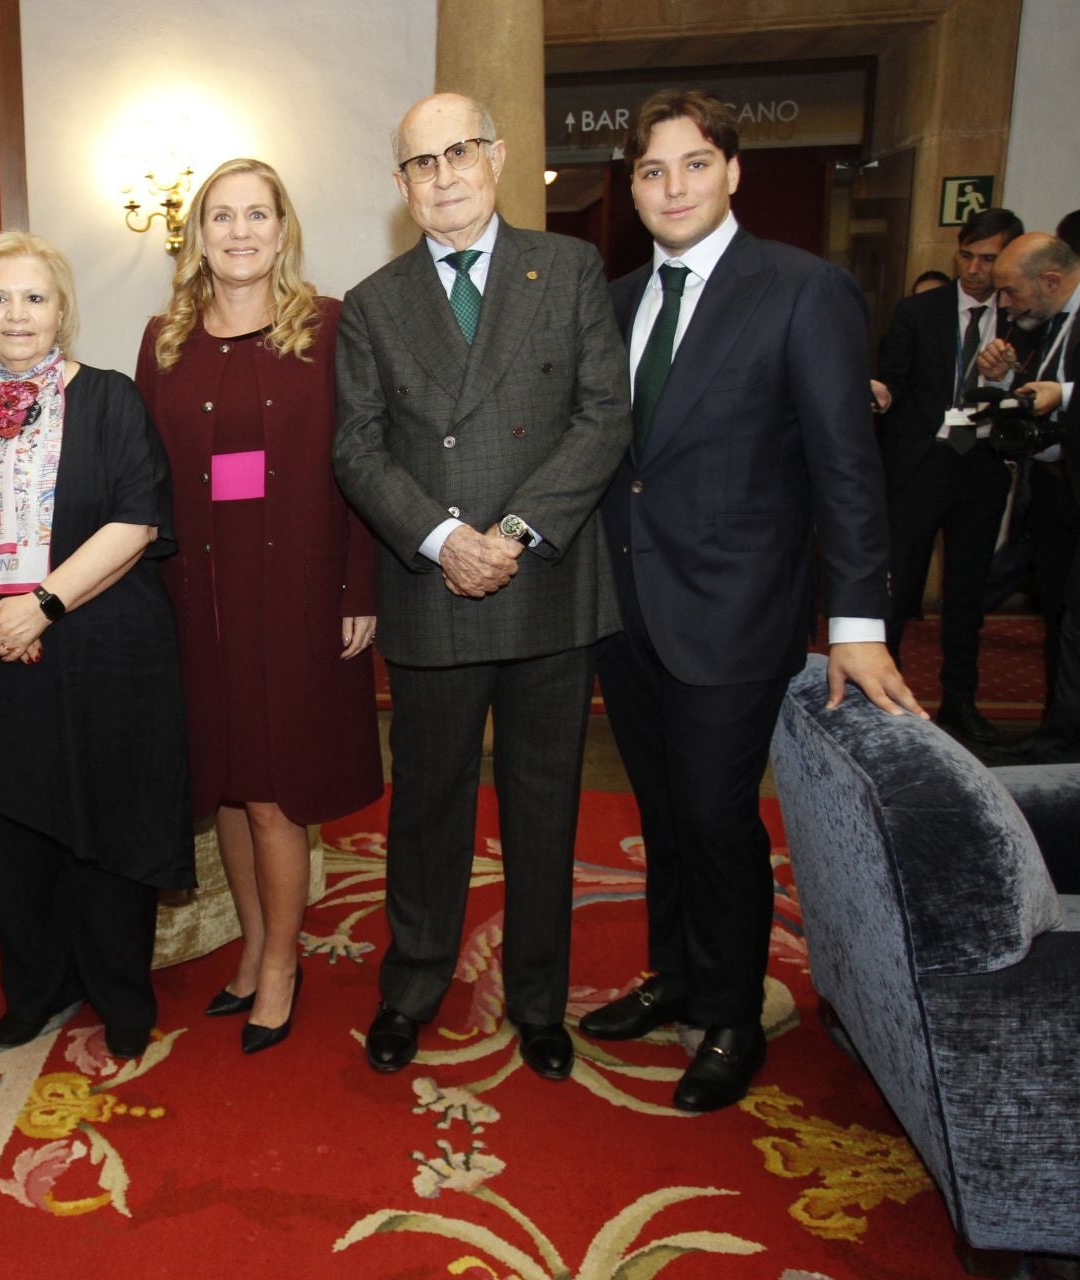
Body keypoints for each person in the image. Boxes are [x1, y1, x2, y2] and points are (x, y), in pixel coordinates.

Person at [586, 89, 923, 1113]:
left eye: (693, 164)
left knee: (716, 810)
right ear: (633, 187)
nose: (672, 185)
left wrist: (858, 622)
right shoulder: (613, 299)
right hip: (624, 608)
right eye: (651, 170)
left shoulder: (801, 289)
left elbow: (845, 467)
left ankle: (732, 1009)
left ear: (732, 171)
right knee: (661, 807)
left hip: (734, 613)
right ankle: (675, 972)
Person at [333, 93, 630, 1082]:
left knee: (545, 805)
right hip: (434, 588)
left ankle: (540, 1000)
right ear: (402, 185)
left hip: (544, 577)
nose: (442, 175)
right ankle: (412, 986)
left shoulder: (572, 268)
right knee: (428, 808)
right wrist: (441, 534)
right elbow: (357, 447)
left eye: (458, 152)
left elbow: (602, 420)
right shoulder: (375, 303)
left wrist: (509, 531)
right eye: (420, 163)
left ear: (497, 158)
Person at [0, 231, 193, 1060]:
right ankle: (37, 986)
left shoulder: (109, 399)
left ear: (62, 310)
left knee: (105, 830)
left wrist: (40, 606)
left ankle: (120, 992)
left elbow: (137, 517)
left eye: (33, 297)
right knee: (7, 835)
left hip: (97, 656)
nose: (16, 314)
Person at [135, 158, 381, 1055]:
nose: (239, 232)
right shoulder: (165, 341)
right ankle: (251, 947)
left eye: (257, 215)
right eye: (221, 217)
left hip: (301, 591)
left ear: (283, 229)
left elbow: (363, 464)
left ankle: (282, 962)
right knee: (228, 791)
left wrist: (362, 586)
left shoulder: (330, 329)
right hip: (198, 597)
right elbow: (152, 487)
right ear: (197, 235)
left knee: (278, 793)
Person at [871, 207, 1025, 748]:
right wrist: (880, 393)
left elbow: (1035, 395)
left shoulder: (1021, 318)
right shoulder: (920, 311)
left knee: (965, 596)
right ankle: (881, 695)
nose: (975, 269)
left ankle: (960, 700)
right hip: (920, 468)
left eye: (988, 258)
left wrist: (1005, 375)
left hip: (981, 469)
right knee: (897, 591)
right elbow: (892, 380)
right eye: (967, 255)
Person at [981, 233, 1080, 762]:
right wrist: (1007, 380)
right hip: (1056, 495)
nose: (1005, 303)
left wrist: (1064, 394)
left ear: (1050, 280)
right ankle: (1061, 735)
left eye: (1010, 291)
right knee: (1065, 619)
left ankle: (1067, 744)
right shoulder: (1045, 325)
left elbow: (1069, 390)